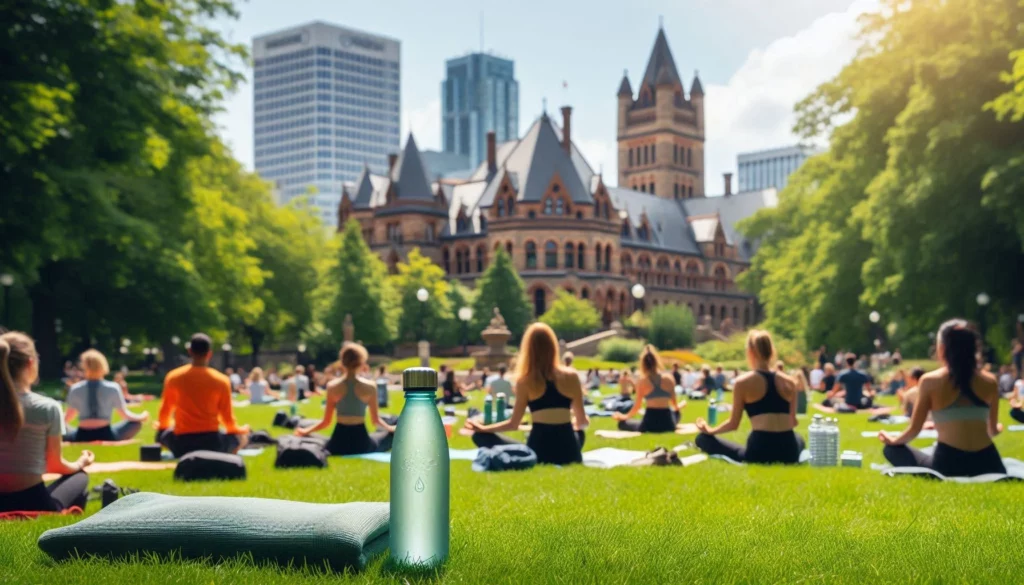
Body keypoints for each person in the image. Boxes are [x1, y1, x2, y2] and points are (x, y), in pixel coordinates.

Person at [880, 320, 1006, 477]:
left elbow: (914, 430)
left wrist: (893, 440)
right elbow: (992, 431)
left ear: (942, 348)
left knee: (891, 450)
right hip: (989, 463)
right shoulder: (990, 381)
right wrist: (998, 429)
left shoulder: (930, 381)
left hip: (948, 464)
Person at [466, 323, 589, 465]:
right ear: (553, 346)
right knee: (580, 434)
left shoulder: (525, 381)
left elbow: (513, 424)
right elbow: (582, 422)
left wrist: (484, 429)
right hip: (570, 454)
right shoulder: (571, 376)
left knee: (480, 436)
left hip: (538, 453)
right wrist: (573, 422)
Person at [1, 332, 93, 513]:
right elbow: (54, 465)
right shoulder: (47, 408)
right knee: (79, 477)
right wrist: (81, 463)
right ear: (30, 363)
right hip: (33, 500)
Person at [694, 330, 804, 464]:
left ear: (751, 352)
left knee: (702, 439)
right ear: (771, 351)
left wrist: (710, 430)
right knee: (799, 439)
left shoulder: (743, 382)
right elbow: (793, 422)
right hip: (789, 452)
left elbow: (733, 424)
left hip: (760, 451)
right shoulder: (789, 382)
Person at [157, 333, 249, 458]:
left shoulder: (174, 377)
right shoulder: (221, 380)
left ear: (190, 351)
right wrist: (240, 431)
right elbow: (228, 419)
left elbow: (165, 412)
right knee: (240, 437)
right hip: (212, 443)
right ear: (209, 353)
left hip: (181, 444)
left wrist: (163, 428)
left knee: (160, 434)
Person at [297, 343, 395, 455]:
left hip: (337, 444)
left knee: (312, 437)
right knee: (391, 435)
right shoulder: (370, 387)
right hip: (361, 444)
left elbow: (326, 422)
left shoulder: (332, 386)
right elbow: (375, 421)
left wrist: (305, 431)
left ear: (342, 362)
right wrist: (390, 428)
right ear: (362, 362)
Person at [64, 350, 149, 442]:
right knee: (136, 424)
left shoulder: (75, 389)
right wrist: (141, 416)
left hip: (81, 435)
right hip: (107, 435)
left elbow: (67, 418)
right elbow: (125, 414)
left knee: (58, 428)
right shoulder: (113, 387)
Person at [613, 345, 682, 433]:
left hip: (650, 424)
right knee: (677, 413)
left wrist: (624, 417)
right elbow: (675, 405)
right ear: (657, 361)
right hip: (668, 424)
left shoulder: (642, 381)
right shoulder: (669, 378)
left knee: (622, 424)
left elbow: (637, 406)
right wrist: (679, 407)